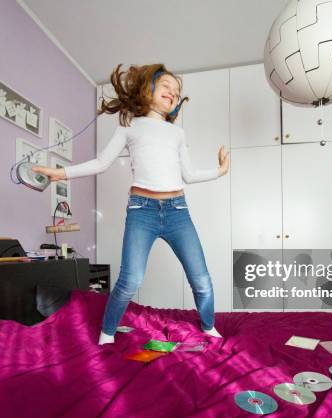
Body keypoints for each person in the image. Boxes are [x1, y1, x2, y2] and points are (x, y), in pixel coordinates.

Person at [33, 63, 230, 345]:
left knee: (201, 279)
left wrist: (219, 171)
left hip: (178, 212)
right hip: (142, 212)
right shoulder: (130, 126)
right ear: (147, 88)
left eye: (176, 91)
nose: (172, 93)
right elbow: (101, 163)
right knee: (130, 281)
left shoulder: (177, 134)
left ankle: (209, 327)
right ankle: (107, 335)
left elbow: (189, 175)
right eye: (166, 86)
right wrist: (60, 173)